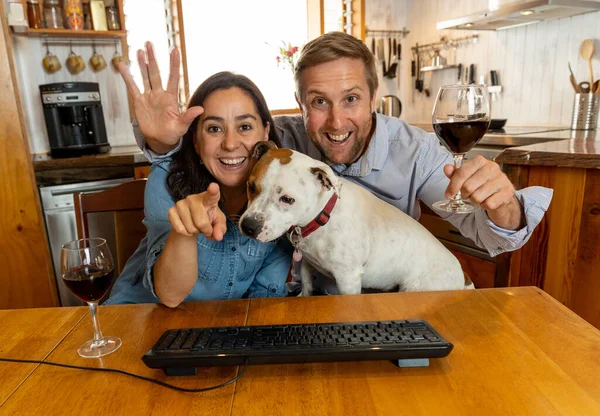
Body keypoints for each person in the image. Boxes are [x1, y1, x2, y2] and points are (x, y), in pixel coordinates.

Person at [123, 33, 552, 294]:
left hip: (383, 302)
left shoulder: (416, 152)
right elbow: (220, 153)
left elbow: (486, 230)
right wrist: (162, 144)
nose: (335, 121)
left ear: (374, 97)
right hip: (297, 305)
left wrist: (503, 207)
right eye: (318, 103)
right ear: (298, 105)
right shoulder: (281, 143)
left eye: (350, 99)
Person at [105, 70, 292, 306]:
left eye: (244, 126)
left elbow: (263, 299)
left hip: (214, 333)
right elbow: (170, 296)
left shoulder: (284, 198)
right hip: (136, 320)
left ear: (265, 131)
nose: (231, 144)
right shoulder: (166, 179)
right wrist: (186, 229)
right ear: (195, 139)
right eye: (214, 128)